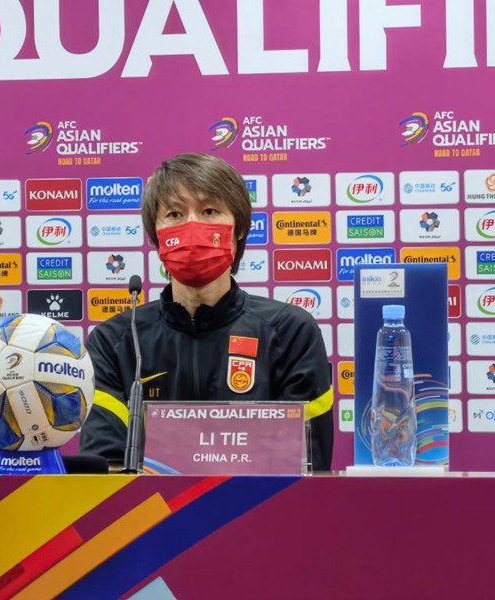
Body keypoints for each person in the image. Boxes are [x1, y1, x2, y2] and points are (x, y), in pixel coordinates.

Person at [79, 153, 335, 470]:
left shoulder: (291, 332)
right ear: (156, 235)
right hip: (150, 505)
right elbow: (107, 469)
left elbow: (305, 468)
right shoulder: (113, 341)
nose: (192, 226)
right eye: (174, 213)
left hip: (262, 504)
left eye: (209, 211)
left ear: (239, 228)